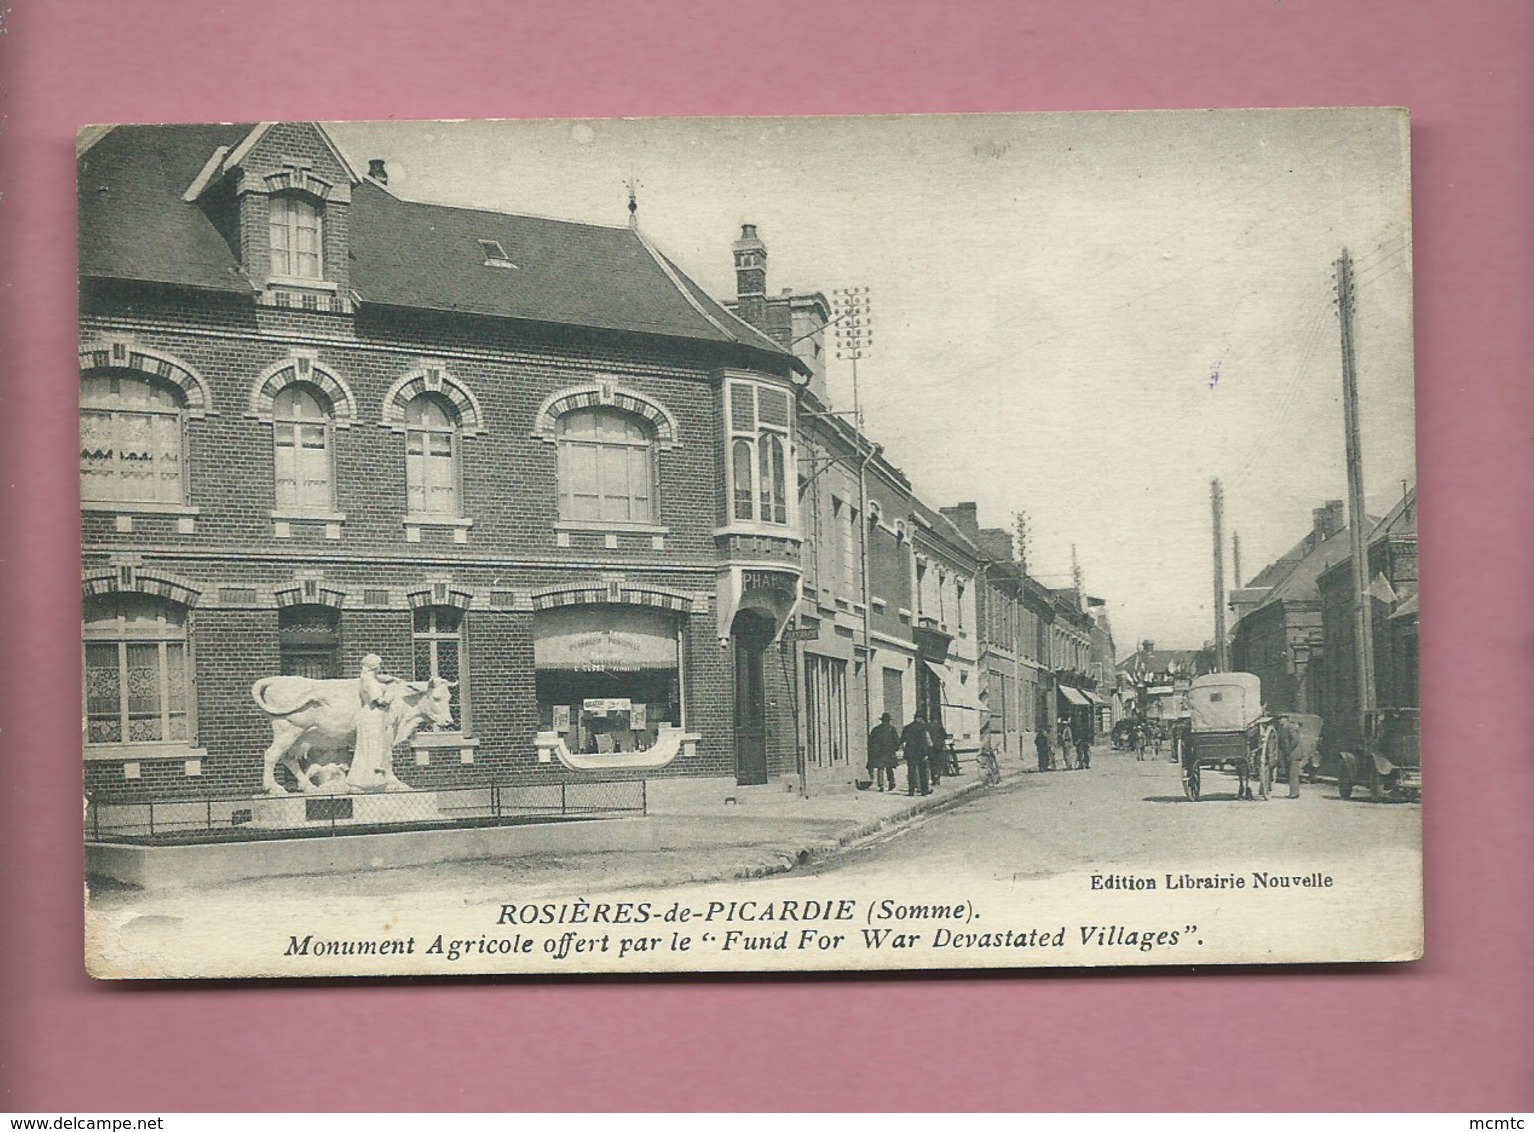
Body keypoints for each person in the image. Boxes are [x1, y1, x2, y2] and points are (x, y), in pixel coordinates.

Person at [346, 653, 400, 791]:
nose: (380, 668)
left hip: (373, 715)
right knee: (372, 747)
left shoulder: (368, 678)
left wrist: (390, 679)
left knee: (370, 747)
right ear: (374, 666)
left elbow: (380, 679)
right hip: (373, 715)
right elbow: (381, 701)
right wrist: (391, 692)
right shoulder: (369, 682)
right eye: (379, 665)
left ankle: (372, 778)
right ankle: (370, 780)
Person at [866, 712, 901, 792]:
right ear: (889, 720)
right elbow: (897, 741)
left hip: (879, 752)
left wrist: (874, 751)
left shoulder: (876, 729)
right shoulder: (892, 729)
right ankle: (891, 783)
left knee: (880, 768)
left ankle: (881, 785)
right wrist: (894, 749)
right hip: (889, 752)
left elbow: (871, 742)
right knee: (889, 768)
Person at [901, 709, 933, 796]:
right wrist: (926, 753)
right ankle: (924, 791)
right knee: (922, 772)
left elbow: (902, 740)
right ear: (920, 718)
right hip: (920, 753)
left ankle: (911, 791)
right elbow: (924, 742)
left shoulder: (907, 728)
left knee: (911, 772)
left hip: (910, 753)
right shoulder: (922, 728)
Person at [1277, 714, 1305, 798]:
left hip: (1294, 753)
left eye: (1281, 719)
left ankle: (1294, 793)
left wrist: (1289, 749)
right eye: (1279, 719)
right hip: (1289, 753)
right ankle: (1293, 792)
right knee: (1290, 774)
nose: (1280, 720)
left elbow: (1296, 739)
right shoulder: (1283, 728)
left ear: (1286, 719)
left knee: (1293, 774)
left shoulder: (1290, 727)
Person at [926, 713, 949, 786]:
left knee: (932, 763)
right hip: (939, 747)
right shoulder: (939, 726)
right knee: (939, 763)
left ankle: (933, 779)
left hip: (930, 747)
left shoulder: (927, 726)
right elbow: (945, 735)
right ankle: (937, 777)